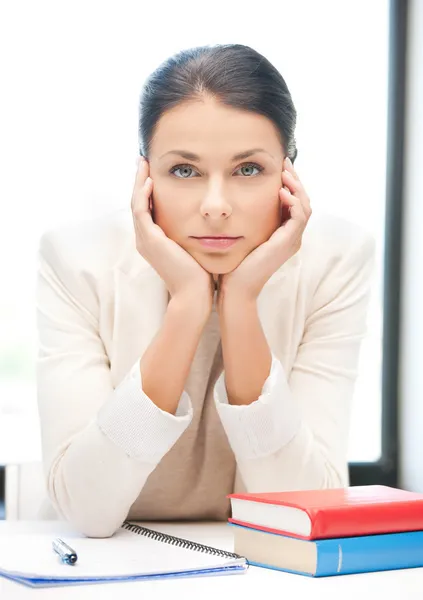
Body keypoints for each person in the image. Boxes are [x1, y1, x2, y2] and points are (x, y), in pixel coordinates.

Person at [36, 43, 375, 538]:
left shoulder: (336, 259)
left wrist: (240, 303)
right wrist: (189, 304)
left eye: (248, 169)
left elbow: (303, 509)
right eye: (185, 170)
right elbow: (86, 510)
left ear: (288, 174)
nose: (216, 206)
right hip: (101, 566)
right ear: (144, 177)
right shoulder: (76, 259)